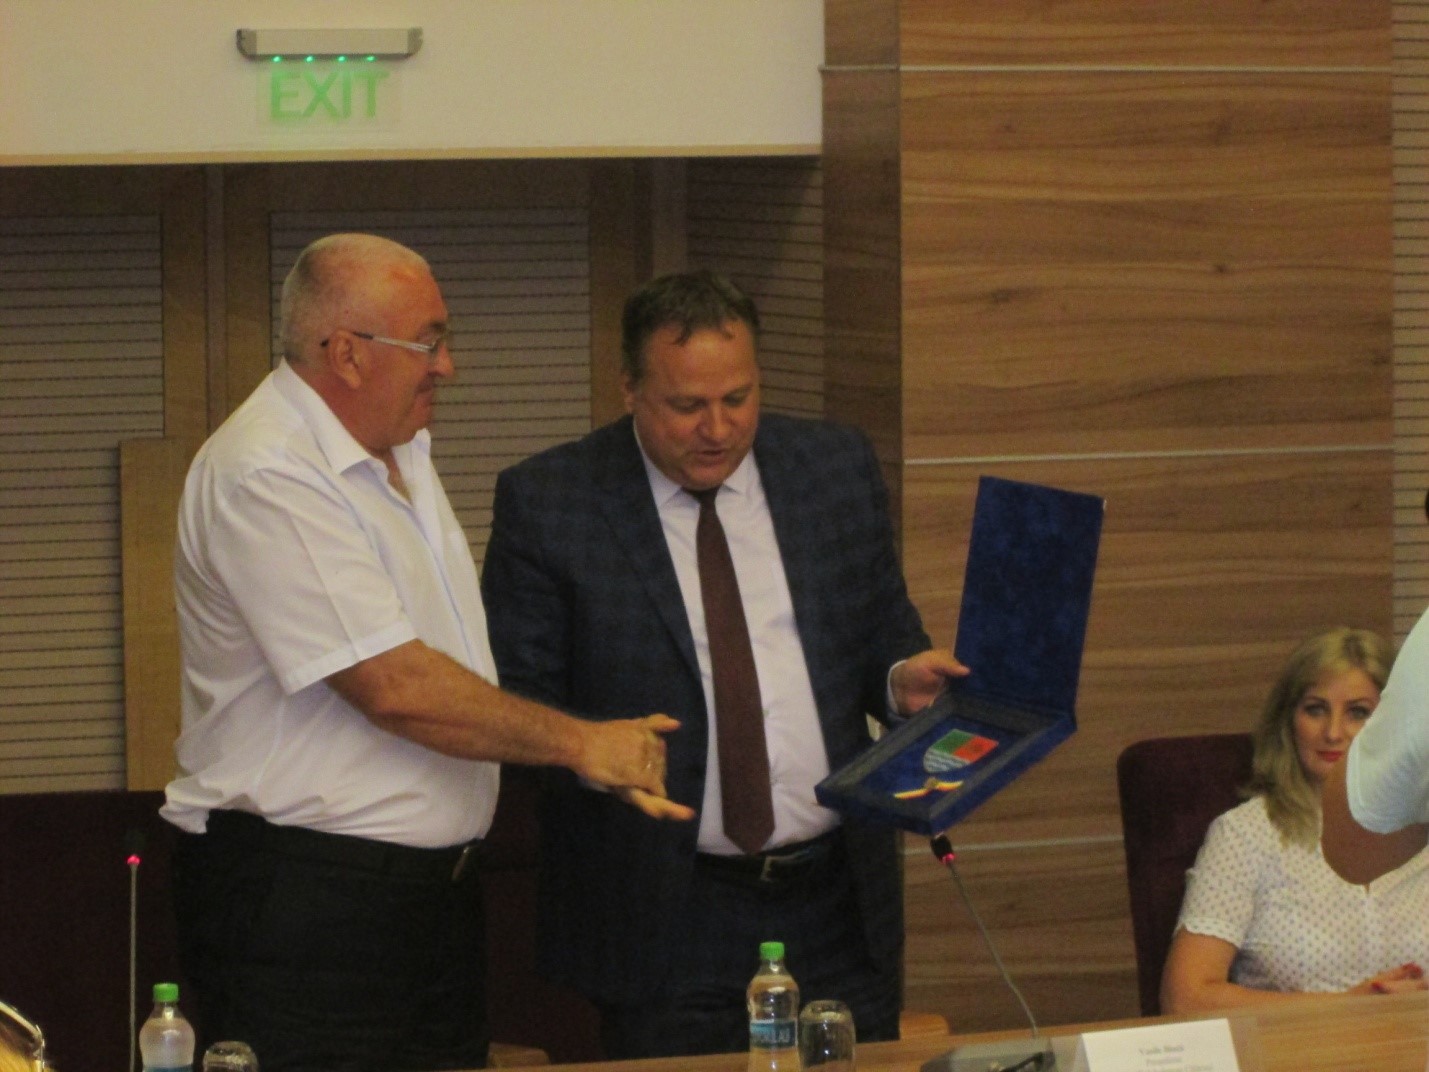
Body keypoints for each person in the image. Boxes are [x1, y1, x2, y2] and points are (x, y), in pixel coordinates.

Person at [160, 233, 682, 1072]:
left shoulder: (397, 445)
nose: (448, 366)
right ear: (346, 353)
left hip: (424, 901)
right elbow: (395, 687)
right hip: (309, 905)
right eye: (428, 342)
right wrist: (581, 742)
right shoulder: (268, 472)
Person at [480, 269, 967, 1059]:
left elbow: (882, 624)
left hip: (835, 896)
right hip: (666, 910)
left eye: (737, 398)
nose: (717, 428)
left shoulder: (831, 467)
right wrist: (595, 753)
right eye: (686, 406)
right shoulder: (552, 502)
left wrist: (897, 677)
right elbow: (518, 699)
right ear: (629, 389)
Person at [1161, 627, 1429, 1013]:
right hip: (1292, 1046)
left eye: (1358, 712)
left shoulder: (1421, 825)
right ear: (1289, 721)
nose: (1333, 733)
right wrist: (1346, 1008)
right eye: (1315, 709)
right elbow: (1185, 997)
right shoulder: (1244, 835)